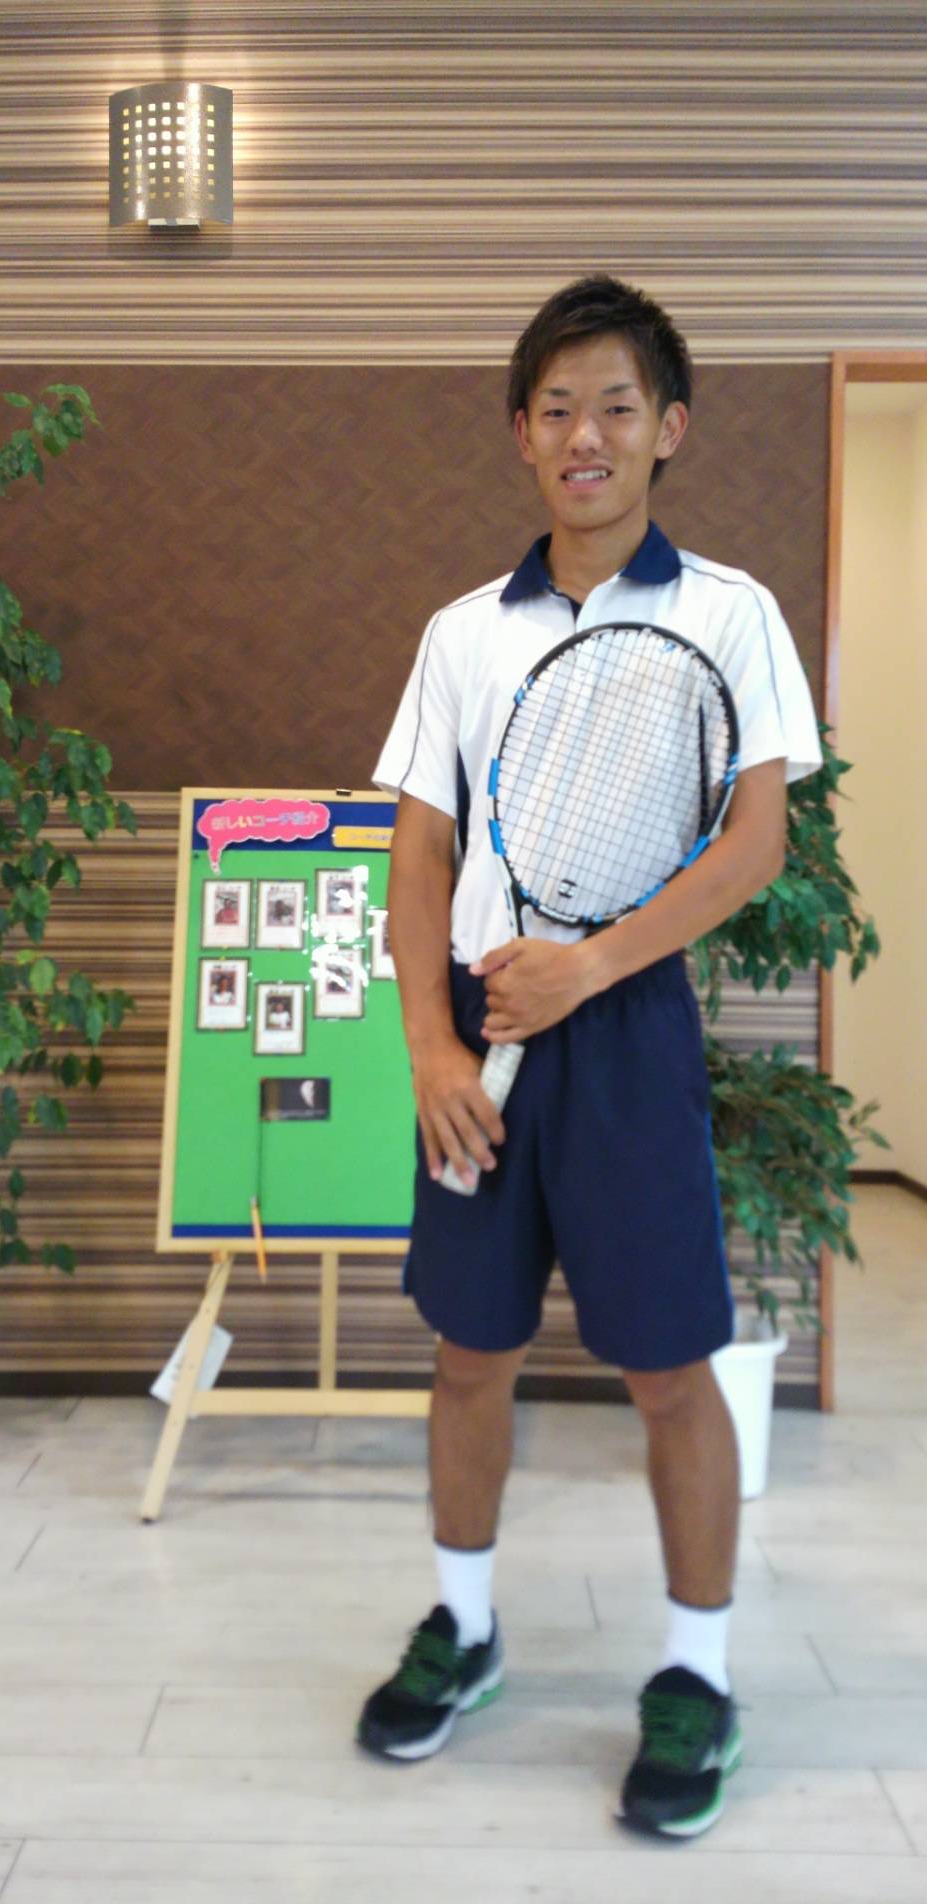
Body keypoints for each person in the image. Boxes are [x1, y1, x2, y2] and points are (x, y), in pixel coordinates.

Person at [360, 273, 822, 1839]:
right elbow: (420, 853)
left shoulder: (731, 615)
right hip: (480, 1026)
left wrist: (593, 965)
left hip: (624, 1028)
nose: (586, 433)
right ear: (520, 432)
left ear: (668, 428)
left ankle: (698, 1674)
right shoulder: (460, 634)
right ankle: (466, 1628)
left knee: (670, 1366)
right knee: (468, 1350)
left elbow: (754, 844)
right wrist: (430, 1041)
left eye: (617, 405)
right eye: (557, 406)